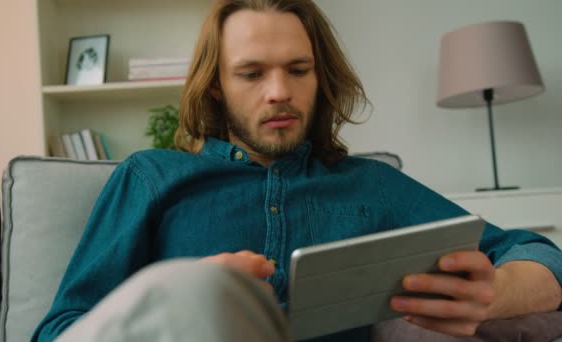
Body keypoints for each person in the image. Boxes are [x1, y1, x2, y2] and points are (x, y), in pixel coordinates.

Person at [33, 0, 562, 341]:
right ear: (216, 83)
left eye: (298, 69)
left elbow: (538, 253)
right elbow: (57, 331)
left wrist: (499, 292)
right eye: (251, 73)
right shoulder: (152, 177)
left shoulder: (370, 185)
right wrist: (183, 305)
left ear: (319, 77)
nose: (279, 90)